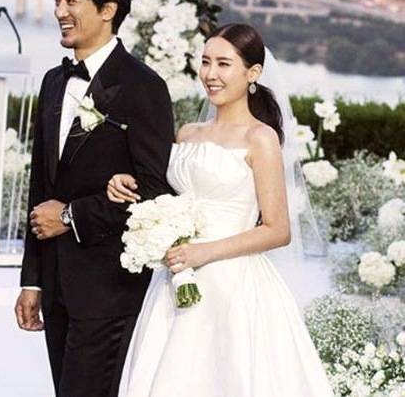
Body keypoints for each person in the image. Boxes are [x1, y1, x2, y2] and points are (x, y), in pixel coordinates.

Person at [107, 23, 335, 397]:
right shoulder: (187, 133)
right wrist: (125, 185)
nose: (210, 74)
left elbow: (278, 229)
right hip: (174, 280)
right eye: (206, 62)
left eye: (224, 64)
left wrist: (205, 252)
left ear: (253, 73)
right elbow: (166, 198)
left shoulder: (260, 138)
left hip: (233, 285)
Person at [14, 0, 175, 396]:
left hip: (108, 288)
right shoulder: (53, 82)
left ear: (108, 9)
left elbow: (155, 192)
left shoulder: (144, 87)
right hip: (55, 286)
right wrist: (32, 281)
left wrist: (71, 215)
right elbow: (40, 187)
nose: (59, 12)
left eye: (71, 1)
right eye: (57, 1)